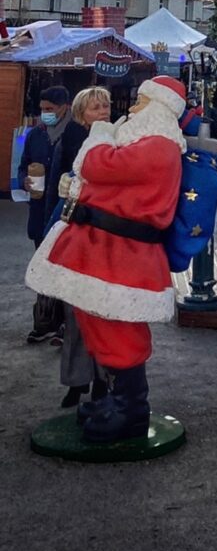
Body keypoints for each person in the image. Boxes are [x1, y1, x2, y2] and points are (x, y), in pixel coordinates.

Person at [26, 75, 186, 442]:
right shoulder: (146, 140)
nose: (132, 110)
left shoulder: (158, 145)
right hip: (106, 252)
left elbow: (99, 166)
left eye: (140, 103)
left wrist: (98, 134)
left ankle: (131, 410)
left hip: (123, 257)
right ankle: (116, 398)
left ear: (159, 108)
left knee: (120, 330)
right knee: (98, 322)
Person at [57, 87, 112, 410]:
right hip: (77, 233)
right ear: (81, 114)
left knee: (103, 314)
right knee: (76, 313)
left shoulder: (116, 140)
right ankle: (77, 382)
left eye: (105, 106)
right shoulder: (73, 139)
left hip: (104, 236)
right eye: (95, 107)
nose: (103, 111)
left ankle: (103, 380)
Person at [18, 84, 82, 344]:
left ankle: (66, 325)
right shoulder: (36, 135)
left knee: (66, 270)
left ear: (65, 107)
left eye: (50, 108)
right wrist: (24, 180)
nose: (45, 113)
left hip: (65, 212)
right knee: (42, 267)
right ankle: (44, 322)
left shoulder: (75, 133)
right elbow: (23, 166)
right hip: (38, 211)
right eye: (42, 108)